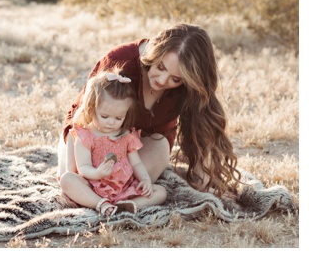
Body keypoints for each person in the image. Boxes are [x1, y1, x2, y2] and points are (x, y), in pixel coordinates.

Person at [58, 23, 240, 195]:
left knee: (140, 170)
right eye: (160, 67)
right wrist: (72, 171)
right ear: (155, 53)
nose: (161, 80)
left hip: (139, 146)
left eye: (175, 79)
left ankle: (117, 199)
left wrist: (204, 181)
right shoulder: (121, 60)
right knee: (74, 181)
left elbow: (201, 135)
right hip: (89, 137)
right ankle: (98, 196)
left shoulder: (189, 87)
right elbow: (81, 120)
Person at [60, 69, 167, 216]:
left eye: (118, 118)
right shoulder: (86, 136)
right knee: (67, 180)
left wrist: (145, 180)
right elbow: (83, 167)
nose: (111, 122)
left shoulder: (127, 135)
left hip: (123, 188)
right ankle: (100, 203)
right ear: (92, 108)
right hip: (93, 186)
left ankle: (129, 205)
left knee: (160, 192)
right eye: (104, 116)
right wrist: (97, 173)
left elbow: (136, 163)